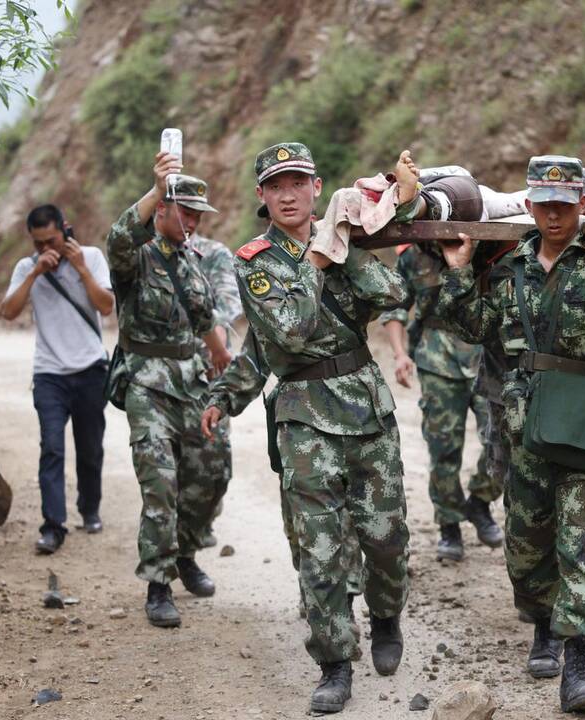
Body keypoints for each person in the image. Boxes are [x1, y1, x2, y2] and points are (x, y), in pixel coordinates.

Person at [435, 155, 585, 713]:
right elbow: (469, 324)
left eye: (565, 205)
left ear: (582, 205)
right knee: (527, 546)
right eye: (543, 204)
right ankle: (541, 624)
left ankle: (578, 667)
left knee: (582, 544)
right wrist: (458, 268)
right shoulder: (512, 262)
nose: (554, 215)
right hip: (525, 424)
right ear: (531, 203)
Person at [200, 142, 410, 714]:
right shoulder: (255, 261)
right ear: (262, 197)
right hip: (303, 417)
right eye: (275, 186)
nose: (287, 194)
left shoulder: (346, 240)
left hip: (367, 409)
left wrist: (350, 247)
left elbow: (393, 295)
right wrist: (228, 396)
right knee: (319, 548)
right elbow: (282, 336)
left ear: (317, 188)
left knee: (386, 539)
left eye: (297, 182)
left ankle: (387, 616)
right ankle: (334, 664)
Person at [104, 154, 233, 628]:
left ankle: (187, 552)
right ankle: (158, 584)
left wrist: (220, 356)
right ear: (161, 209)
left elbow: (203, 318)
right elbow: (117, 238)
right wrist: (156, 188)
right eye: (186, 212)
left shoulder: (192, 260)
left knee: (212, 474)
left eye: (200, 215)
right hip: (148, 384)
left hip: (193, 382)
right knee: (161, 485)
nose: (194, 222)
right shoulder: (136, 257)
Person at [380, 152, 505, 561]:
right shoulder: (412, 258)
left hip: (486, 355)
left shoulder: (487, 247)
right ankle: (449, 525)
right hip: (436, 356)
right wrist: (401, 355)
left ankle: (480, 502)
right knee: (443, 448)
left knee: (500, 441)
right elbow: (396, 307)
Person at [0, 204, 115, 554]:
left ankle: (89, 508)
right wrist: (35, 271)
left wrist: (80, 268)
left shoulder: (92, 257)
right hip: (49, 372)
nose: (45, 249)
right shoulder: (26, 267)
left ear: (65, 230)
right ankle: (53, 526)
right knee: (51, 447)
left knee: (90, 449)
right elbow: (8, 311)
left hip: (90, 369)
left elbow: (106, 306)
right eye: (37, 243)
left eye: (51, 240)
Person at [187, 233, 243, 549]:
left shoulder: (213, 253)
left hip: (211, 370)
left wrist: (216, 350)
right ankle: (177, 543)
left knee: (215, 462)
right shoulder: (146, 251)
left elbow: (225, 305)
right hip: (162, 376)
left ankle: (203, 516)